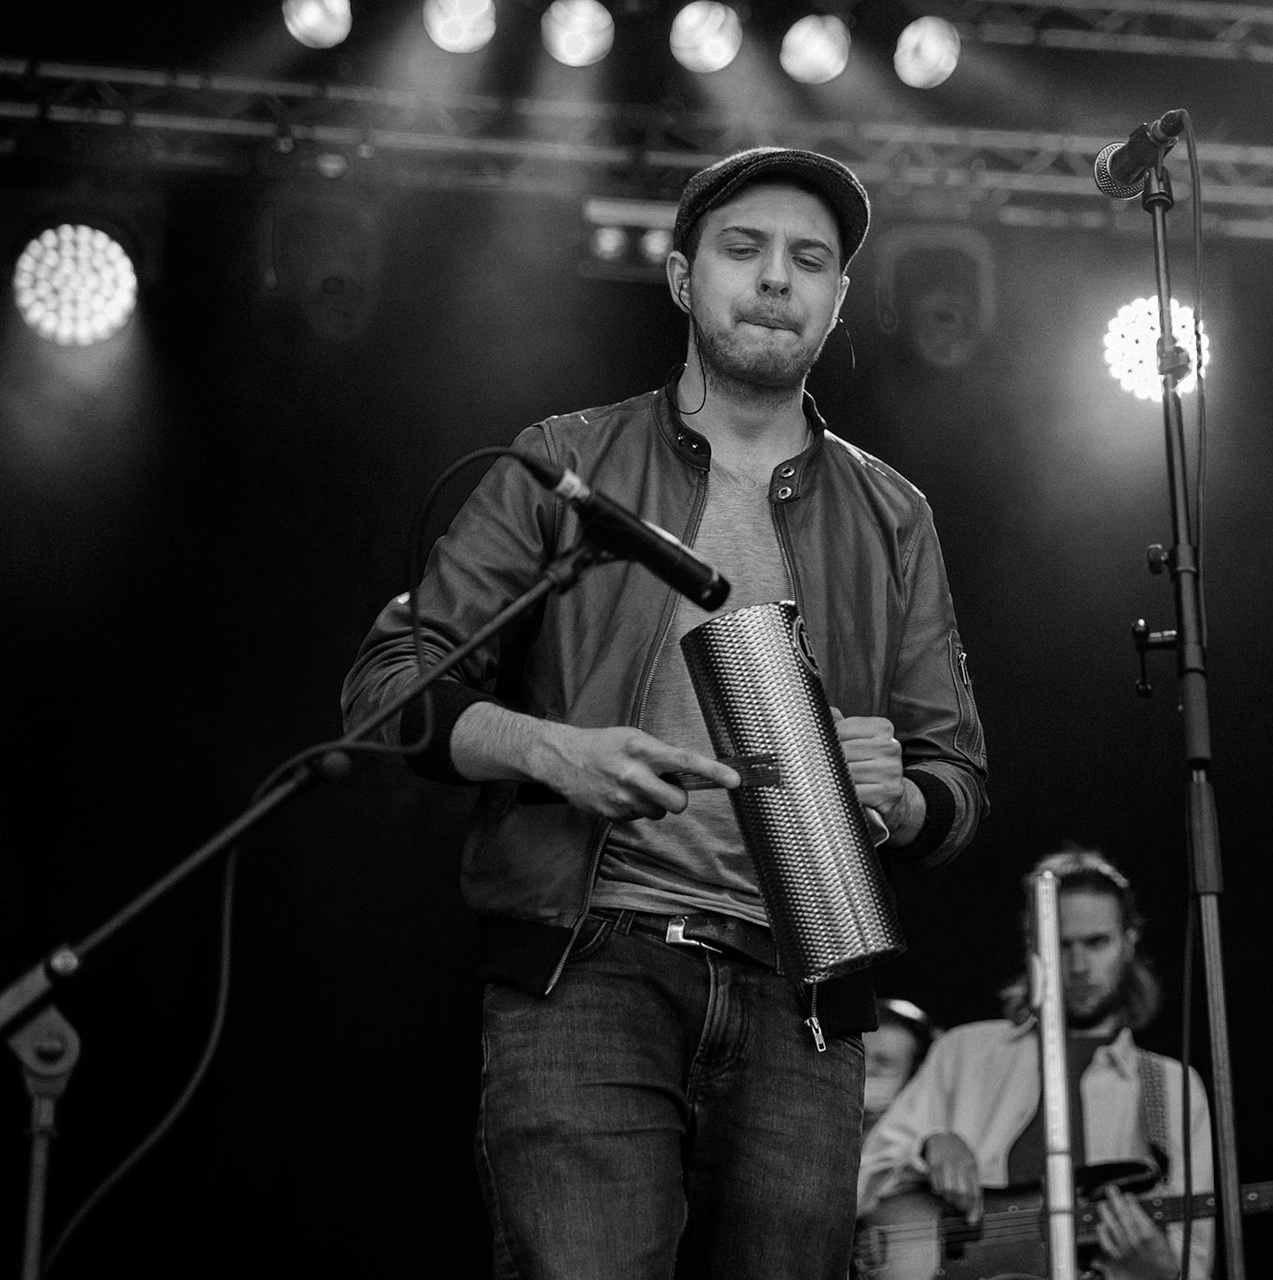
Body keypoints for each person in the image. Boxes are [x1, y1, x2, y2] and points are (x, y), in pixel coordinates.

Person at [341, 146, 988, 1280]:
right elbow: (391, 682)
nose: (776, 278)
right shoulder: (563, 462)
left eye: (809, 260)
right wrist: (557, 751)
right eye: (744, 250)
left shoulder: (896, 513)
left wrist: (901, 796)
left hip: (807, 994)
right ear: (684, 278)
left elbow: (960, 782)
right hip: (590, 961)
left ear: (838, 300)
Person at [858, 849, 1213, 1280]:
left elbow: (1194, 1253)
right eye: (1061, 945)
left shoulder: (1171, 1086)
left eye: (1097, 942)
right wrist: (930, 1145)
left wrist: (1159, 1271)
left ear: (1130, 941)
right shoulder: (964, 1051)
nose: (1080, 966)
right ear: (1033, 948)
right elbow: (861, 1183)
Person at [864, 997, 940, 1137]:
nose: (864, 1068)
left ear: (914, 1073)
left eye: (883, 1062)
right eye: (858, 1055)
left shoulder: (924, 1144)